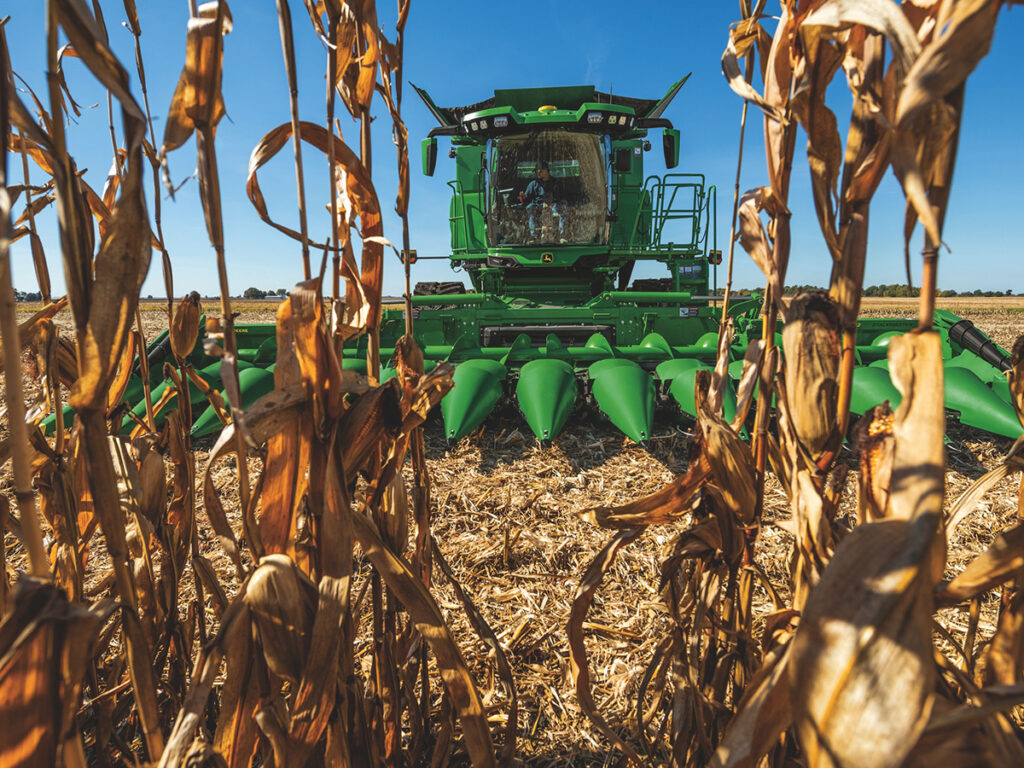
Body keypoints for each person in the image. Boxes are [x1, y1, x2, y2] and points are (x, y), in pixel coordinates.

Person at [522, 162, 566, 242]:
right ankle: (533, 236)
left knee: (562, 207)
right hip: (538, 204)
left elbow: (561, 196)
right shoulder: (533, 184)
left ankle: (562, 236)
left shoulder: (556, 182)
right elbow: (526, 197)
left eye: (539, 171)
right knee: (530, 208)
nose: (537, 173)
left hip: (554, 204)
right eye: (536, 172)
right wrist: (522, 197)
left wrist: (552, 204)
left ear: (545, 171)